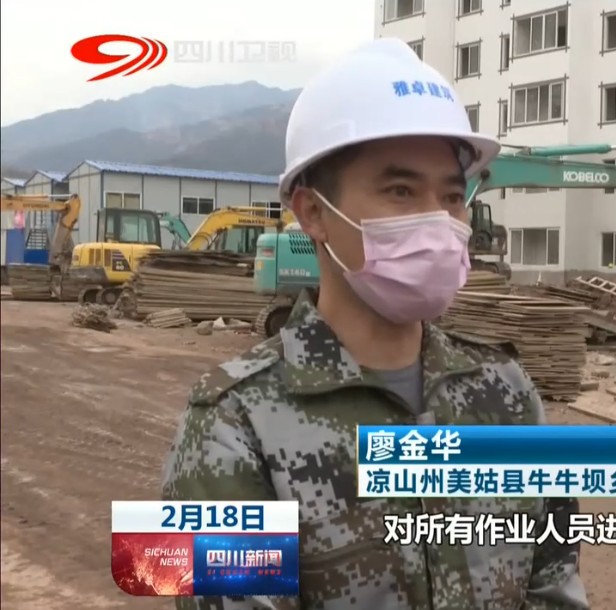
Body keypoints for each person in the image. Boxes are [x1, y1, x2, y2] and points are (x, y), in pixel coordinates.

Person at [161, 38, 590, 610]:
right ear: (313, 213)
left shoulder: (509, 395)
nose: (438, 222)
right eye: (401, 192)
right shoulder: (229, 421)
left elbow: (555, 588)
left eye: (452, 196)